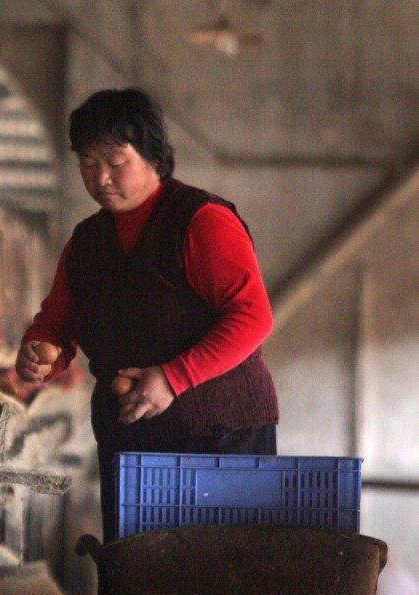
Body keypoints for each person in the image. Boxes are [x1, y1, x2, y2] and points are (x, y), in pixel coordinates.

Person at [16, 88, 278, 543]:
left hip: (219, 436)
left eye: (116, 161)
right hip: (133, 440)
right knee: (137, 583)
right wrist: (43, 354)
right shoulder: (87, 241)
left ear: (153, 156)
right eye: (87, 163)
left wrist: (174, 377)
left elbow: (252, 317)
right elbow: (56, 322)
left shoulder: (200, 220)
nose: (100, 178)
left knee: (219, 582)